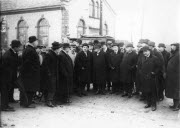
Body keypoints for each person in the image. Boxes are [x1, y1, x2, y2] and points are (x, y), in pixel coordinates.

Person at [1, 40, 21, 111]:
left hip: (10, 75)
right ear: (15, 47)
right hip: (5, 76)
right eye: (19, 47)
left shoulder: (13, 53)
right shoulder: (8, 55)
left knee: (9, 89)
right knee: (5, 91)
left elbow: (16, 63)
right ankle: (4, 106)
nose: (20, 48)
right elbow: (4, 67)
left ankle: (9, 100)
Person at [20, 36, 40, 108]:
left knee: (26, 88)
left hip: (27, 73)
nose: (37, 43)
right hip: (30, 74)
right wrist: (34, 70)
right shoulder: (30, 50)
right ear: (33, 42)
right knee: (29, 88)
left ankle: (25, 102)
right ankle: (27, 103)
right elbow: (28, 63)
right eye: (36, 41)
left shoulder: (28, 49)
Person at [140, 46, 161, 111]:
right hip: (144, 77)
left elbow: (158, 67)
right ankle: (148, 103)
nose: (145, 53)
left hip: (151, 78)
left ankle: (154, 105)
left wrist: (154, 72)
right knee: (146, 91)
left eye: (146, 51)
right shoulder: (142, 58)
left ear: (149, 51)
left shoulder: (154, 58)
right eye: (144, 52)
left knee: (152, 92)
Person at [43, 42, 60, 107]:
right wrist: (49, 74)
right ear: (56, 49)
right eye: (59, 48)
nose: (59, 50)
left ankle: (51, 100)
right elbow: (46, 65)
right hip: (50, 75)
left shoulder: (54, 54)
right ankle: (49, 101)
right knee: (51, 88)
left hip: (54, 74)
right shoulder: (49, 54)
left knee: (53, 87)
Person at [165, 43, 180, 111]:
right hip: (172, 76)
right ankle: (175, 105)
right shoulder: (174, 53)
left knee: (176, 91)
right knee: (174, 91)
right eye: (171, 46)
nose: (172, 47)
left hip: (176, 76)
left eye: (173, 46)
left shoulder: (178, 54)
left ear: (177, 47)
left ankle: (176, 106)